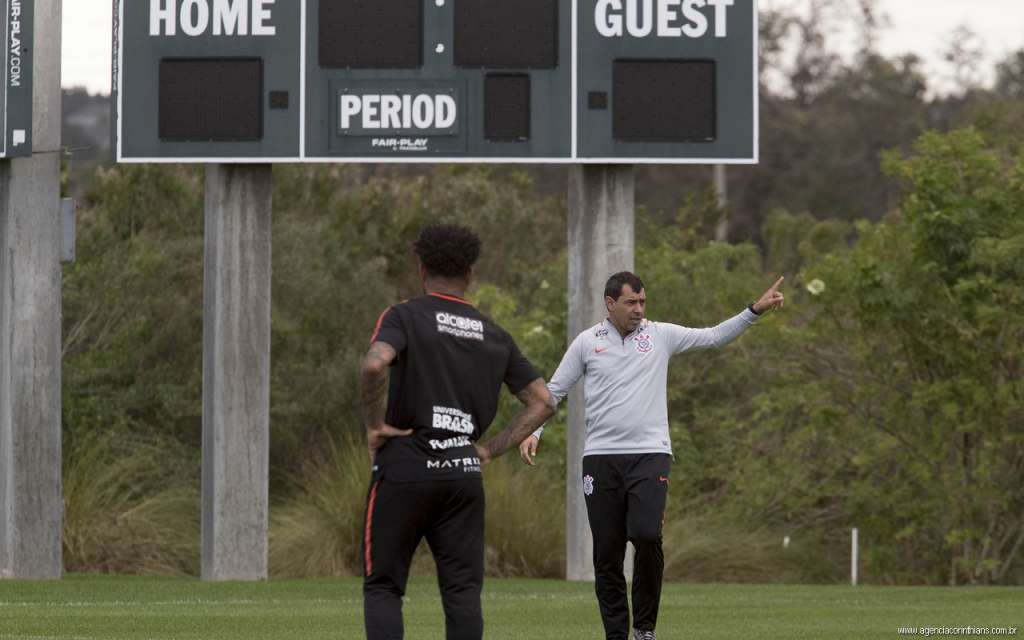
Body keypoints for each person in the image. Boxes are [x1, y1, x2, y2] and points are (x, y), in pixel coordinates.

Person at [520, 271, 785, 640]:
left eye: (643, 301)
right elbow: (554, 391)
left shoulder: (660, 335)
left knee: (646, 535)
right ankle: (617, 634)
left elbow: (712, 336)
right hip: (600, 459)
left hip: (650, 455)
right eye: (631, 302)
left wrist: (753, 311)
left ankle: (644, 629)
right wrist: (534, 431)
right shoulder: (586, 343)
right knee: (607, 554)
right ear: (610, 304)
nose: (639, 309)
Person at [359, 223, 553, 640]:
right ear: (470, 274)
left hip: (405, 467)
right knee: (463, 592)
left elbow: (374, 365)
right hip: (462, 473)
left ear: (420, 267)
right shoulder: (495, 335)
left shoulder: (404, 315)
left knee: (385, 587)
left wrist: (375, 426)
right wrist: (487, 451)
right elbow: (543, 402)